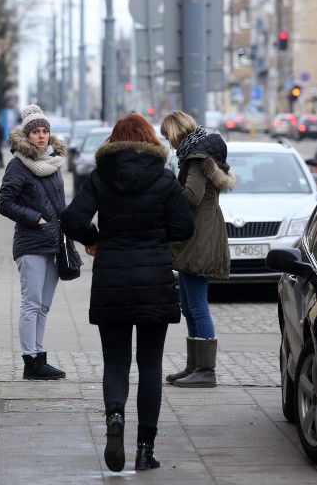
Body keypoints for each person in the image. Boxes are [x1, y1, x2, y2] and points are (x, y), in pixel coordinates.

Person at [61, 113, 194, 472]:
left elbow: (72, 220)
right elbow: (183, 228)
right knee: (150, 364)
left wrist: (95, 239)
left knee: (116, 362)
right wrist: (157, 234)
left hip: (113, 279)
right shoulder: (165, 179)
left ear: (113, 141)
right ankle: (145, 450)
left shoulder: (100, 176)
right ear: (150, 140)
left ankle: (115, 418)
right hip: (154, 277)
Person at [159, 110, 235, 389]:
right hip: (197, 233)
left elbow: (192, 196)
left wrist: (165, 193)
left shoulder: (196, 158)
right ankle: (194, 365)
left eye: (168, 136)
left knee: (198, 305)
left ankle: (205, 369)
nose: (169, 143)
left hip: (199, 236)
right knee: (188, 305)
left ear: (177, 132)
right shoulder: (199, 154)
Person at [0, 104, 67, 381]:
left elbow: (59, 203)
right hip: (31, 242)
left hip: (54, 242)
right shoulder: (18, 165)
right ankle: (31, 360)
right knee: (32, 302)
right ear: (26, 136)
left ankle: (39, 355)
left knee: (45, 304)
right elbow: (4, 202)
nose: (41, 136)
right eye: (36, 132)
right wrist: (35, 218)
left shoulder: (53, 163)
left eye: (45, 131)